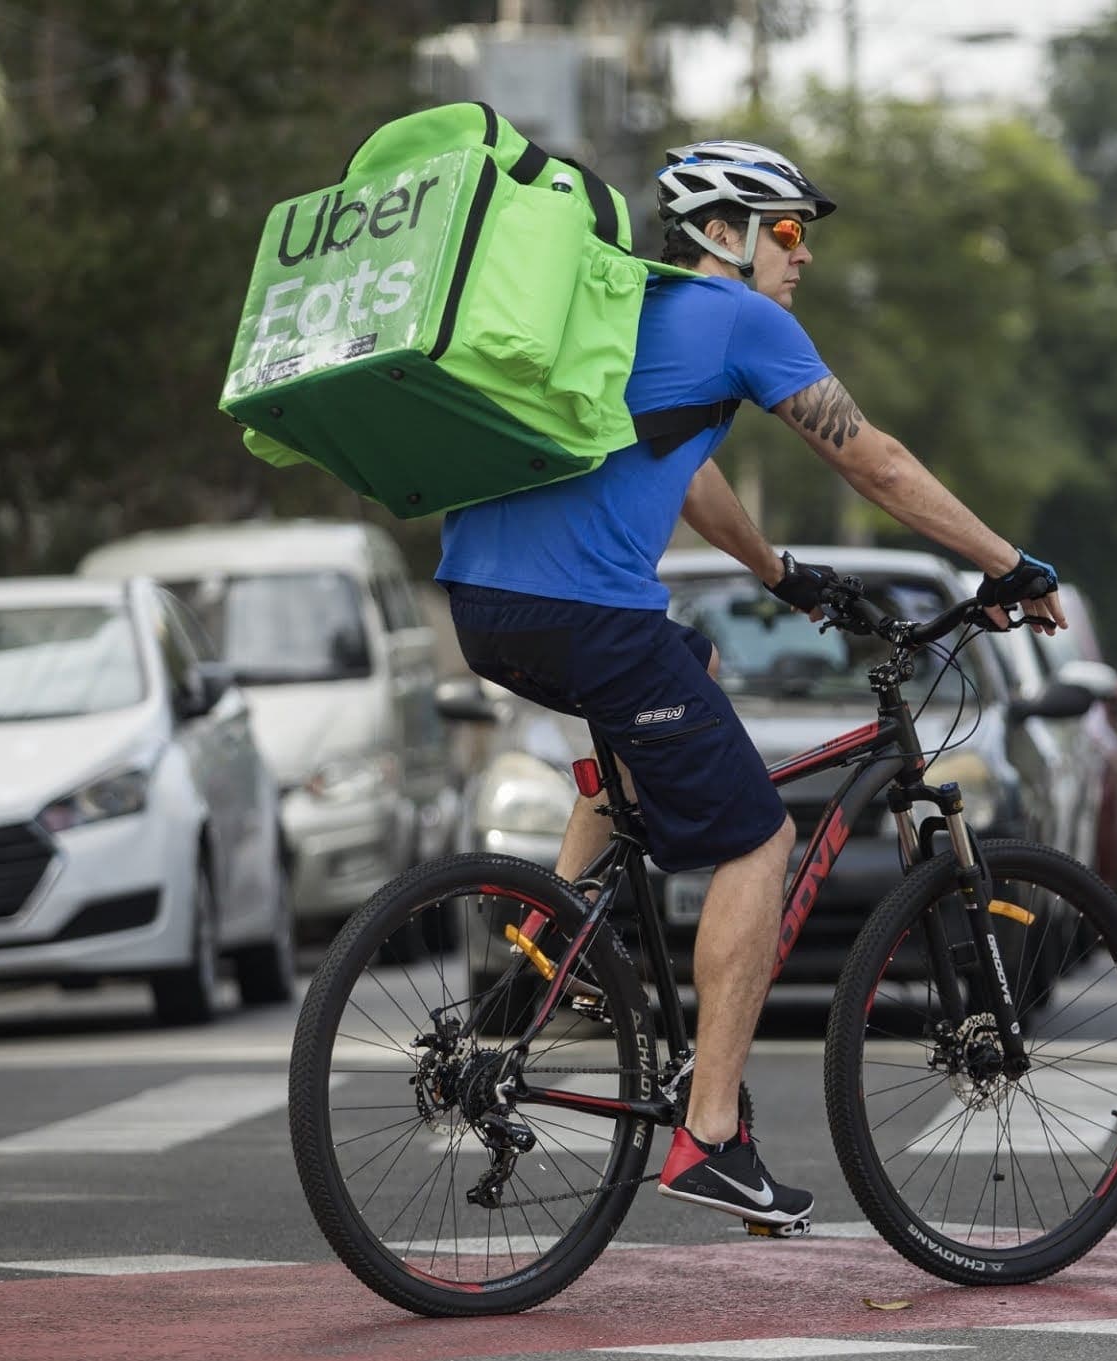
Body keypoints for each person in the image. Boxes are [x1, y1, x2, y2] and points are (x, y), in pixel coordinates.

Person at [435, 139, 1066, 1228]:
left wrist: (779, 572)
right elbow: (874, 458)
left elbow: (681, 462)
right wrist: (1004, 561)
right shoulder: (743, 320)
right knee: (757, 837)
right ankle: (712, 1134)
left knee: (696, 661)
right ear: (722, 232)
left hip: (483, 605)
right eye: (783, 229)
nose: (800, 253)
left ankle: (562, 926)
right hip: (590, 611)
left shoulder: (621, 303)